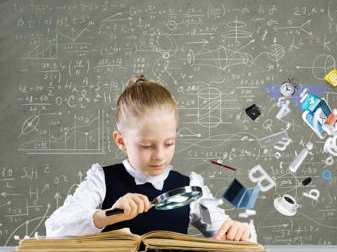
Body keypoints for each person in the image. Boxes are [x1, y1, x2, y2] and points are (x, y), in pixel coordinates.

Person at [45, 75, 256, 242]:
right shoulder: (101, 181)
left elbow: (217, 226)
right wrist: (108, 214)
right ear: (121, 141)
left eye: (169, 143)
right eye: (146, 146)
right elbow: (56, 229)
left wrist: (237, 231)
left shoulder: (189, 189)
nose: (159, 156)